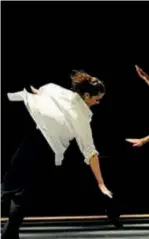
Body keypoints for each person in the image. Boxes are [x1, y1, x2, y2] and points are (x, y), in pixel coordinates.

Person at [2, 70, 122, 239]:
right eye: (97, 99)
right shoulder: (82, 117)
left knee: (14, 188)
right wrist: (101, 184)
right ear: (87, 95)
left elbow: (42, 90)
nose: (97, 103)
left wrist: (37, 94)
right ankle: (9, 233)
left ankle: (9, 233)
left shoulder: (57, 90)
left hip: (34, 141)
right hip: (44, 149)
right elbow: (90, 152)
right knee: (17, 190)